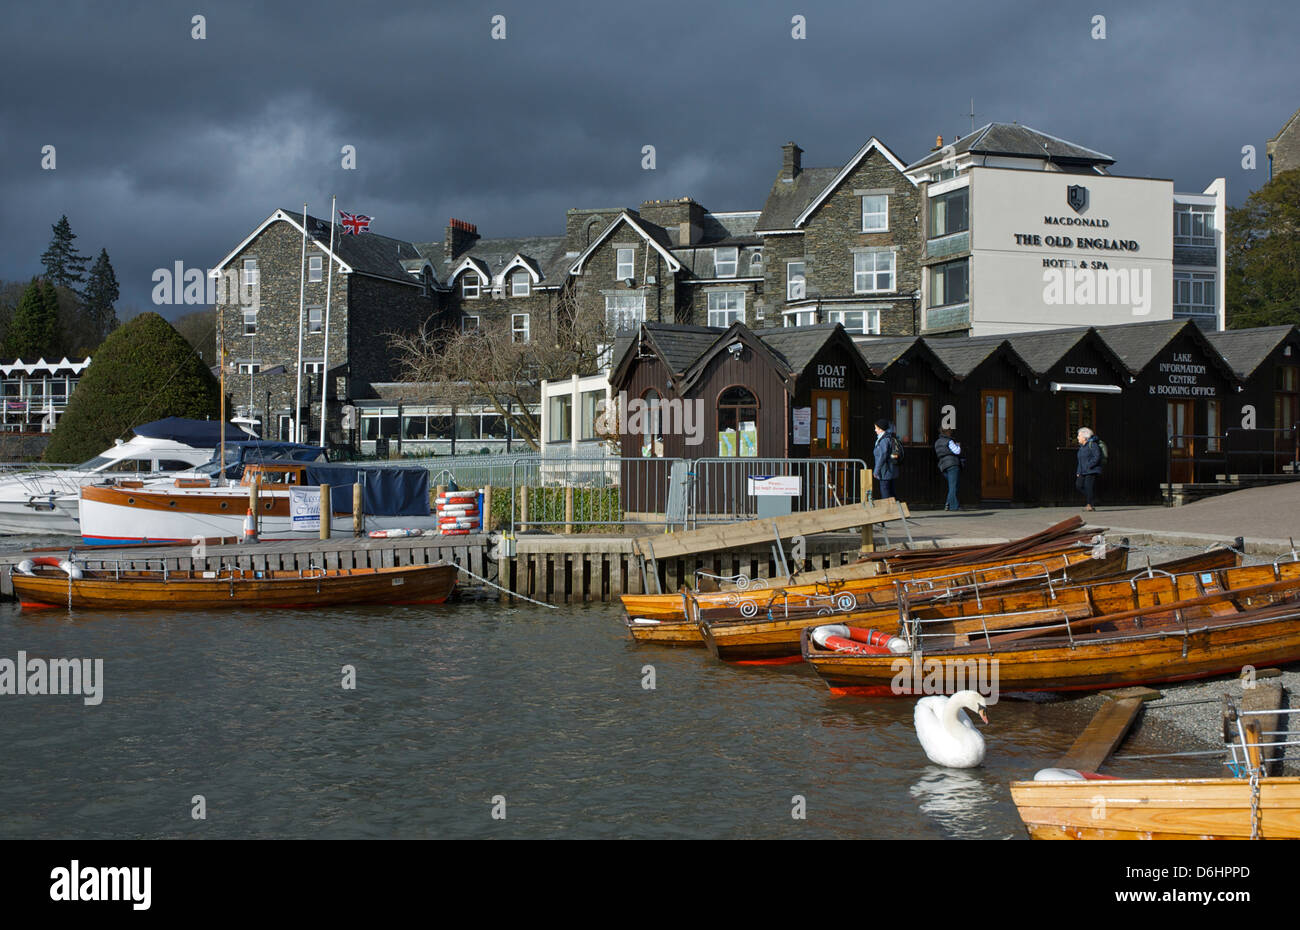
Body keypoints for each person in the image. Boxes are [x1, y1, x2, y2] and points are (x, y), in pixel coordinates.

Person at [934, 427, 962, 511]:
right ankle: (954, 506)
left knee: (953, 486)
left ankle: (948, 504)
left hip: (942, 465)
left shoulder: (937, 442)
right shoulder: (949, 441)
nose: (951, 433)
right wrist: (958, 446)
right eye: (950, 432)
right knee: (953, 486)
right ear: (947, 432)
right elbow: (957, 451)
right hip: (952, 464)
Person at [1075, 426, 1103, 511]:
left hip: (1091, 470)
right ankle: (1092, 499)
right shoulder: (1081, 447)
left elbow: (1097, 456)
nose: (1077, 437)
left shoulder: (1093, 445)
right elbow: (1080, 460)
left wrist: (1089, 465)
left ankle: (1090, 505)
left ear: (1085, 437)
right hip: (1083, 471)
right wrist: (1078, 471)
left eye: (1079, 436)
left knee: (1088, 487)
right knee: (1079, 486)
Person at [873, 418, 900, 500]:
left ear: (881, 429)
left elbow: (882, 456)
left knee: (886, 494)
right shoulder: (889, 438)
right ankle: (897, 510)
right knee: (891, 493)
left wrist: (876, 471)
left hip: (885, 472)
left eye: (876, 428)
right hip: (890, 471)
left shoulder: (884, 440)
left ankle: (890, 511)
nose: (875, 430)